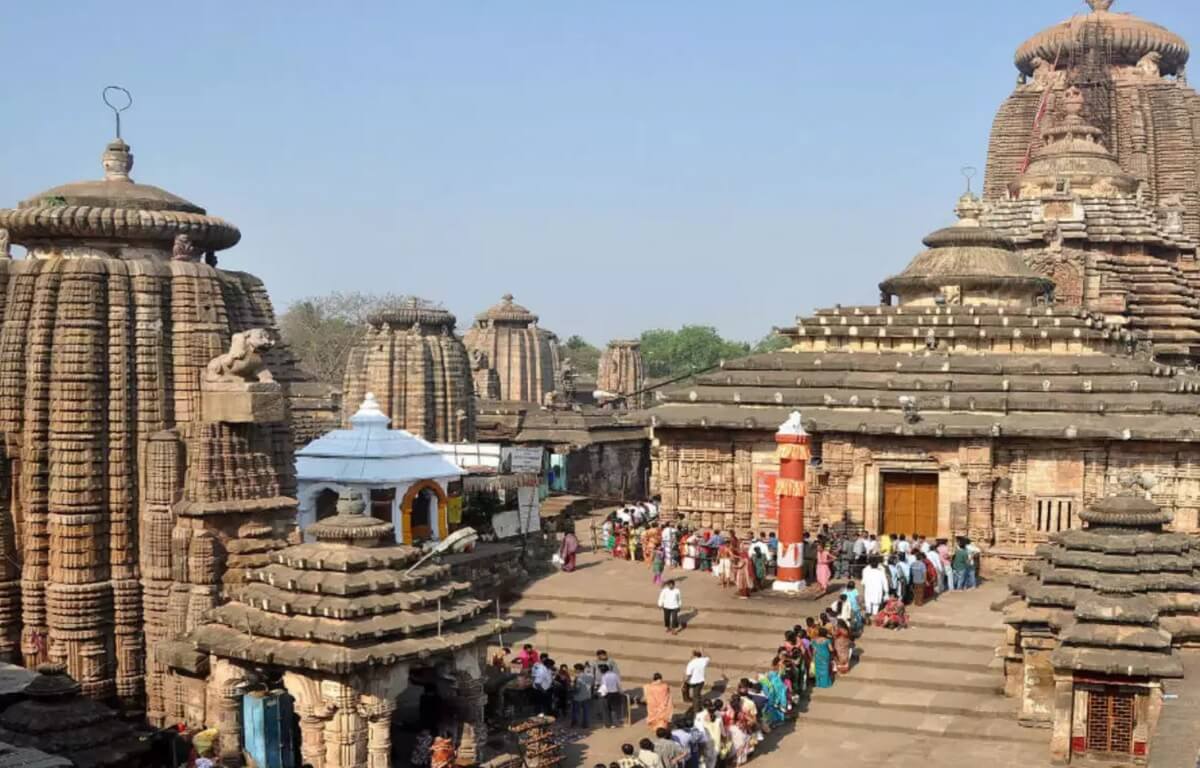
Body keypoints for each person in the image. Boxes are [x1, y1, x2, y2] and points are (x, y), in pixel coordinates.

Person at [599, 664, 624, 728]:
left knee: (606, 710)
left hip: (607, 695)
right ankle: (615, 723)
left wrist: (602, 695)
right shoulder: (614, 675)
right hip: (615, 693)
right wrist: (621, 692)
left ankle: (608, 724)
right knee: (614, 710)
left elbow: (604, 686)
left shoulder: (604, 676)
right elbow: (619, 684)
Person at [571, 663, 593, 728]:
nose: (574, 670)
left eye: (575, 669)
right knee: (586, 711)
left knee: (576, 711)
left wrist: (572, 692)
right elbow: (591, 685)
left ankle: (575, 723)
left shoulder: (578, 678)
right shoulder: (589, 676)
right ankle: (585, 724)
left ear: (578, 670)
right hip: (587, 696)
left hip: (578, 697)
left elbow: (577, 688)